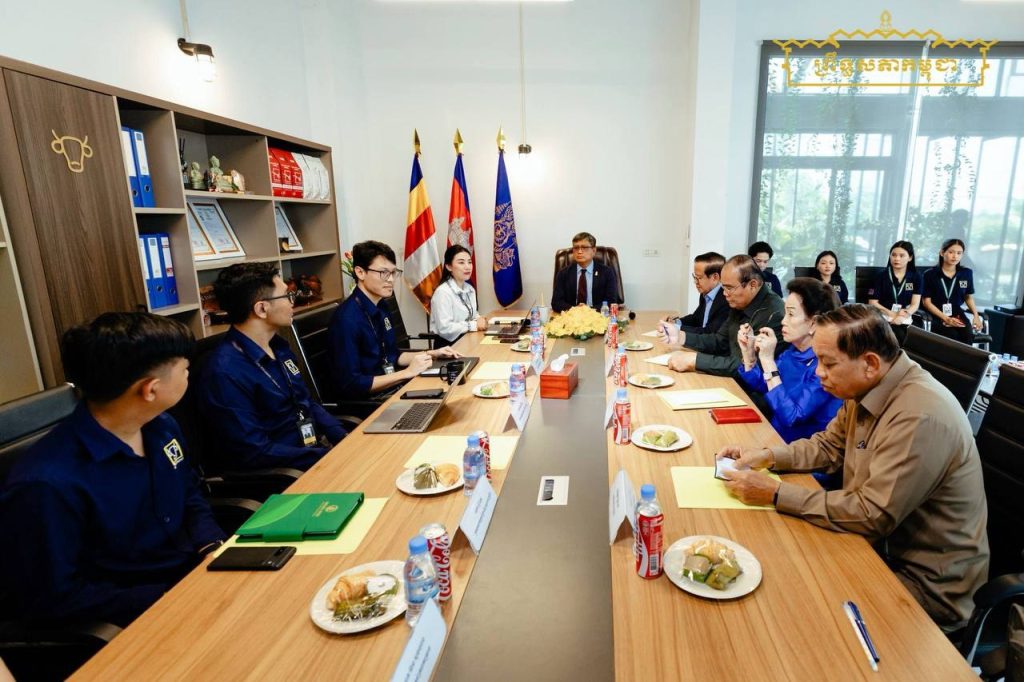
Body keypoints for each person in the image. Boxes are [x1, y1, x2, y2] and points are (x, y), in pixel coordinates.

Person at [717, 304, 989, 632]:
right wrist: (767, 456)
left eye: (828, 363)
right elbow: (828, 447)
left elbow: (872, 514)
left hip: (921, 584)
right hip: (872, 548)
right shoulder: (865, 386)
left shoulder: (919, 416)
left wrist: (776, 493)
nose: (819, 372)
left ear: (870, 363)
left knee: (787, 609)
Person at [0, 312, 226, 627]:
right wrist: (170, 598)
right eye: (185, 369)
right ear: (151, 389)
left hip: (193, 581)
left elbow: (189, 493)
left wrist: (212, 546)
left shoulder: (161, 427)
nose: (189, 375)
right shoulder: (46, 482)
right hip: (133, 619)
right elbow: (55, 597)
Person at [198, 262, 346, 471]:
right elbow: (255, 452)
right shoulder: (225, 372)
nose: (292, 302)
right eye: (287, 296)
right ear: (261, 308)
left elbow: (305, 402)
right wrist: (326, 458)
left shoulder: (279, 346)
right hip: (286, 474)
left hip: (313, 454)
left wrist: (344, 438)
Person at [329, 240, 459, 399]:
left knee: (454, 388)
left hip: (392, 388)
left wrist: (433, 354)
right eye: (384, 273)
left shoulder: (382, 305)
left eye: (393, 273)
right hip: (370, 402)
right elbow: (353, 384)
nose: (391, 279)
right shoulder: (346, 319)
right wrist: (407, 373)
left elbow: (394, 356)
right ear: (360, 272)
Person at [736, 278, 842, 443]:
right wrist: (749, 353)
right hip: (775, 439)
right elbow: (766, 385)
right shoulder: (792, 352)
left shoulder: (826, 365)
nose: (783, 321)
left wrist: (768, 361)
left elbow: (792, 417)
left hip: (804, 451)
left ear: (814, 323)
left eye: (791, 314)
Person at [659, 255, 786, 376]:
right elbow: (719, 341)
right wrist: (680, 336)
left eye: (729, 288)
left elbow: (749, 367)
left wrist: (695, 361)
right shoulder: (740, 302)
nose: (724, 294)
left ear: (752, 285)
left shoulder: (773, 314)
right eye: (723, 287)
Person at [921, 238, 984, 345]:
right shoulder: (930, 274)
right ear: (942, 253)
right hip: (935, 313)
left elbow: (968, 297)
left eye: (959, 253)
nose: (955, 256)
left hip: (956, 313)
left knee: (967, 335)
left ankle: (963, 357)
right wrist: (946, 318)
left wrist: (976, 316)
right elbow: (926, 302)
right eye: (951, 252)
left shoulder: (966, 273)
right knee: (951, 335)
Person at [430, 245, 488, 345]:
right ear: (449, 266)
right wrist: (474, 325)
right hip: (448, 345)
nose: (467, 267)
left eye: (469, 262)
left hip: (468, 339)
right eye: (461, 262)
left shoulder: (470, 289)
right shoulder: (443, 292)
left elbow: (471, 314)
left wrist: (479, 318)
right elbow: (445, 328)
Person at [551, 231, 622, 312]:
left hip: (597, 315)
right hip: (572, 315)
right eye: (576, 248)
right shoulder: (563, 274)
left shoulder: (607, 273)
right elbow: (556, 302)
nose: (579, 251)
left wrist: (588, 310)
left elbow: (611, 301)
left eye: (584, 247)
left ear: (594, 251)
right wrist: (575, 309)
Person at [663, 252, 729, 335]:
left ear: (715, 277)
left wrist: (676, 328)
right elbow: (696, 319)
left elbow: (708, 332)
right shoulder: (705, 293)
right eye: (695, 277)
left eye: (699, 278)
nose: (695, 282)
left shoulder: (726, 300)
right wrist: (676, 322)